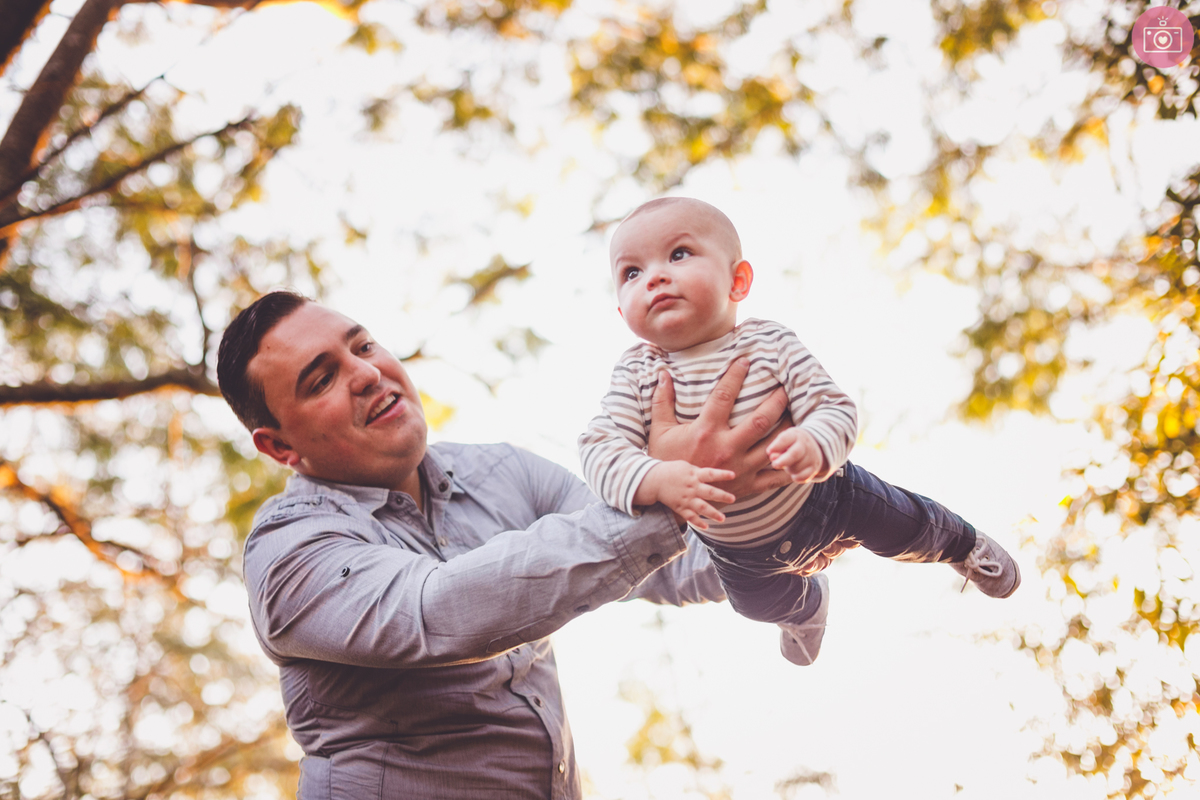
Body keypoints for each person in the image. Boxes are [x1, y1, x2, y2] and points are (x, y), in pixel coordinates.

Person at [216, 290, 812, 799]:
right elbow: (439, 611)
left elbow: (668, 564)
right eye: (322, 378)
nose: (367, 373)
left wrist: (785, 517)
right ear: (279, 448)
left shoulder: (503, 471)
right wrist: (676, 493)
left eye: (363, 345)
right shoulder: (288, 551)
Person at [579, 197, 1021, 667]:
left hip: (828, 495)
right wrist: (656, 479)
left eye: (679, 254)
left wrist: (815, 444)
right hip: (737, 548)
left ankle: (964, 545)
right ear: (624, 316)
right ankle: (806, 608)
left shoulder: (767, 341)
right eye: (631, 273)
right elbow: (599, 449)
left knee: (905, 528)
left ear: (738, 281)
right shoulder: (638, 375)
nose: (655, 277)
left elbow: (832, 406)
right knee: (753, 605)